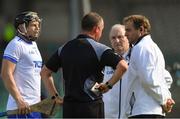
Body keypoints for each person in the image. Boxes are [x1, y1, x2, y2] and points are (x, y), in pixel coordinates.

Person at [40, 12, 128, 118]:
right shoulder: (99, 49)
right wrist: (107, 85)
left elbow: (45, 72)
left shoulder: (64, 48)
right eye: (102, 29)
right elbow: (123, 66)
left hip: (69, 109)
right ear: (97, 29)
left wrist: (55, 97)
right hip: (92, 108)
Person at [122, 14, 175, 118]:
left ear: (141, 29)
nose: (125, 34)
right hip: (152, 111)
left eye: (129, 30)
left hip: (144, 112)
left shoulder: (141, 48)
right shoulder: (153, 47)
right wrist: (166, 98)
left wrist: (164, 100)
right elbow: (166, 78)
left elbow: (148, 80)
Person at [1, 11, 42, 118]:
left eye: (38, 25)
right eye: (33, 25)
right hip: (20, 109)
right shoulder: (15, 45)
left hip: (35, 108)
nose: (37, 28)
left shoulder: (34, 45)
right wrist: (19, 100)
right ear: (22, 27)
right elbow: (6, 74)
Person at [103, 24, 130, 118]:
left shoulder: (137, 55)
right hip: (108, 116)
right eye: (113, 38)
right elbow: (98, 86)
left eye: (120, 37)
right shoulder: (105, 59)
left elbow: (165, 77)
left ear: (127, 37)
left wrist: (166, 97)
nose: (117, 41)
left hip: (131, 114)